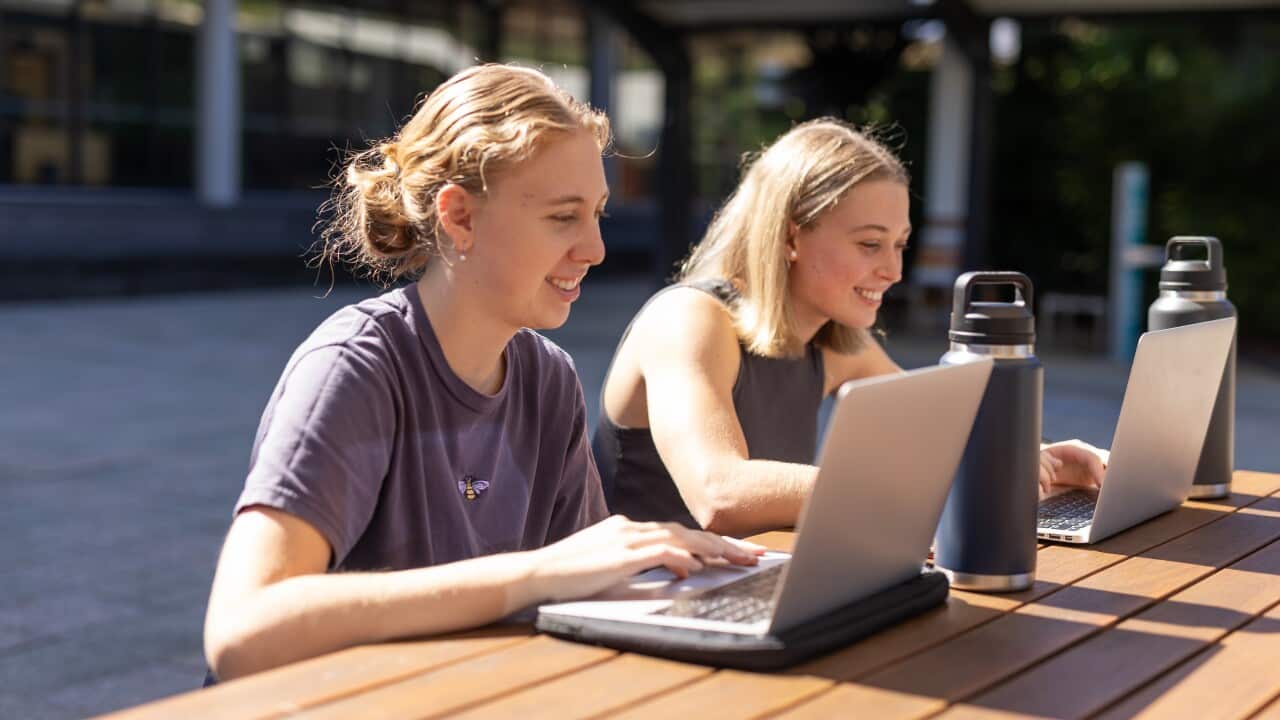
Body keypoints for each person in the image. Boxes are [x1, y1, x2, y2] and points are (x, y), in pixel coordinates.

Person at [202, 65, 762, 683]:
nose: (595, 248)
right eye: (562, 216)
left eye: (598, 213)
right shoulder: (354, 366)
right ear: (460, 218)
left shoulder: (548, 377)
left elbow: (586, 582)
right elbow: (242, 632)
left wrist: (716, 595)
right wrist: (537, 573)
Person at [594, 118, 1106, 538]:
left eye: (900, 245)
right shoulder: (689, 319)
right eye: (869, 244)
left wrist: (1041, 458)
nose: (893, 271)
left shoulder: (833, 345)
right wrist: (927, 478)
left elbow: (953, 437)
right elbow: (719, 494)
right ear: (792, 236)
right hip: (640, 614)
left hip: (748, 591)